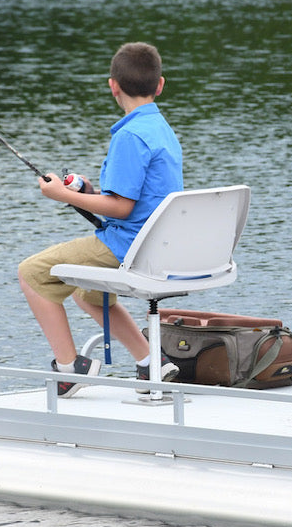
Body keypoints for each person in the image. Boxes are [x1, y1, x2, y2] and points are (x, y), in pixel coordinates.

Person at [18, 42, 183, 397]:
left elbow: (122, 208)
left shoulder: (129, 136)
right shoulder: (160, 128)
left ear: (113, 86)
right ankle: (151, 361)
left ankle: (69, 368)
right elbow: (129, 198)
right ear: (160, 85)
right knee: (89, 294)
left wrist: (64, 195)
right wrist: (87, 190)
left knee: (31, 274)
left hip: (129, 244)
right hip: (156, 241)